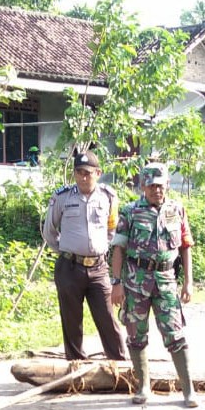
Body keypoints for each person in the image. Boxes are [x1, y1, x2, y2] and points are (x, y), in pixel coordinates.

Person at [109, 162, 197, 407]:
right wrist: (116, 283)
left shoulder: (177, 209)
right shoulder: (130, 211)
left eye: (160, 185)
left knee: (175, 333)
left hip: (167, 281)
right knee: (136, 335)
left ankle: (188, 390)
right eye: (151, 186)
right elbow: (119, 249)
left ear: (167, 185)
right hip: (136, 283)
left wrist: (188, 282)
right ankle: (143, 386)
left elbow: (185, 247)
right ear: (143, 186)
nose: (156, 190)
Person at [42, 151, 126, 361]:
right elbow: (48, 231)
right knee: (71, 320)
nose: (83, 177)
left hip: (98, 268)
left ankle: (119, 363)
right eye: (79, 172)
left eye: (88, 173)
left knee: (106, 316)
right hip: (69, 267)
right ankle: (76, 366)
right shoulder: (62, 197)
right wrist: (66, 249)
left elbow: (112, 231)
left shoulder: (108, 196)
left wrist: (100, 248)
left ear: (98, 173)